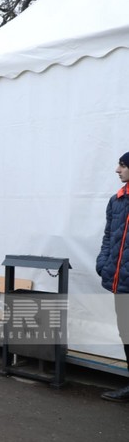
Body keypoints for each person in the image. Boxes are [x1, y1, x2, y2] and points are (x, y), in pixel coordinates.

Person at [97, 151, 129, 402]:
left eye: (122, 165)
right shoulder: (116, 201)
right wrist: (103, 262)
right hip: (122, 282)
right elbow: (109, 236)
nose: (117, 170)